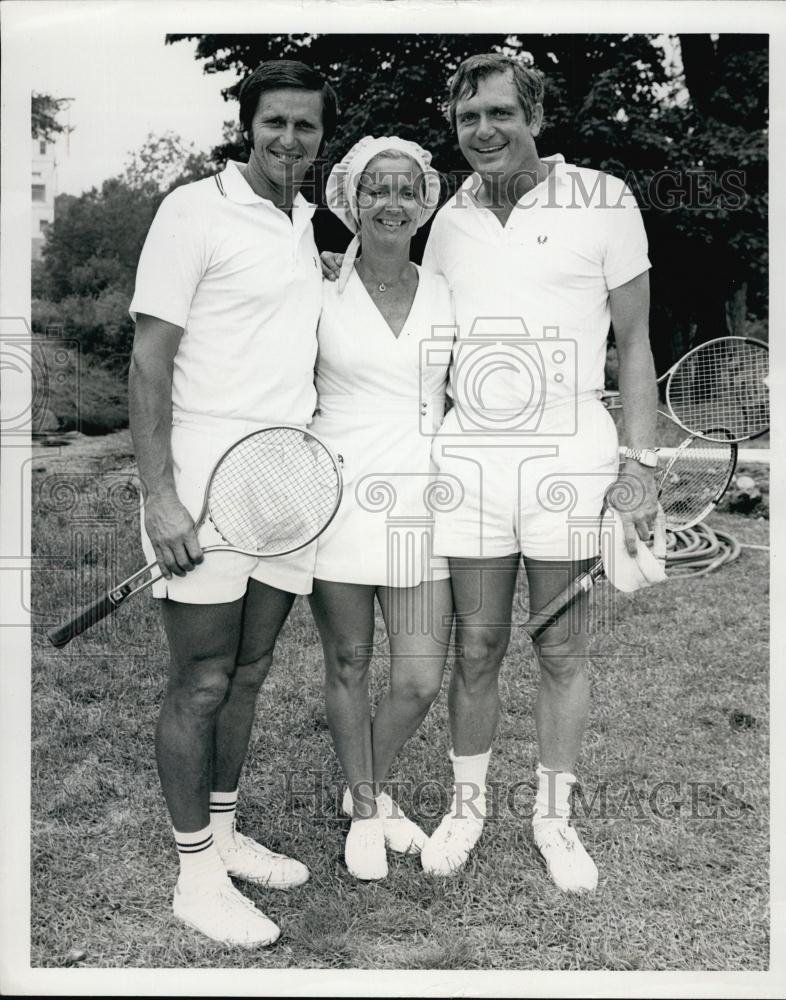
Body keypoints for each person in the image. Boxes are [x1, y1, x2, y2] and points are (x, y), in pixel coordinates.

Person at [324, 53, 659, 891]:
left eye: (501, 114)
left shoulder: (604, 199)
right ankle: (466, 808)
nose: (484, 132)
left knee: (561, 648)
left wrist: (640, 463)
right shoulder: (450, 219)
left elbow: (638, 344)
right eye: (469, 118)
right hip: (468, 462)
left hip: (571, 455)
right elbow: (394, 307)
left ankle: (554, 818)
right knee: (475, 645)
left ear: (535, 115)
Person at [128, 60, 337, 947]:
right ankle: (196, 875)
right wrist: (160, 495)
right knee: (203, 678)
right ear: (246, 125)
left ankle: (223, 829)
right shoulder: (192, 210)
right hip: (203, 476)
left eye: (306, 127)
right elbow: (148, 360)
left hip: (285, 475)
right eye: (275, 123)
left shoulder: (306, 224)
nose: (290, 140)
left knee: (248, 673)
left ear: (322, 138)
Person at [310, 136, 455, 880]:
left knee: (418, 677)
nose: (391, 202)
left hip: (422, 501)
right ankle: (368, 809)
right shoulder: (318, 282)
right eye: (375, 190)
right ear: (351, 202)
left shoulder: (447, 288)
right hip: (334, 493)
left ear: (424, 201)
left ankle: (359, 784)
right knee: (349, 660)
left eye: (405, 189)